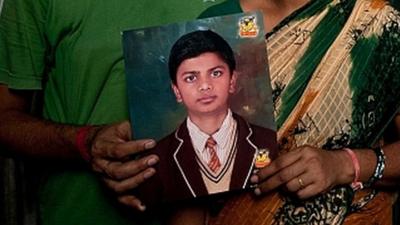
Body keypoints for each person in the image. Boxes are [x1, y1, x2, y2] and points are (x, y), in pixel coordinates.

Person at [0, 0, 225, 225]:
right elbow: (5, 121)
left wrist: (260, 165)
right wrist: (84, 142)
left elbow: (252, 102)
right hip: (83, 214)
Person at [186, 0, 400, 224]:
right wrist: (158, 172)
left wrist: (345, 165)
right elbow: (189, 191)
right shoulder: (217, 24)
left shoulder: (376, 19)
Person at [135, 30, 278, 208]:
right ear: (177, 91)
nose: (204, 85)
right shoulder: (156, 160)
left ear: (232, 80)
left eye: (216, 73)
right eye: (191, 78)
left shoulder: (269, 141)